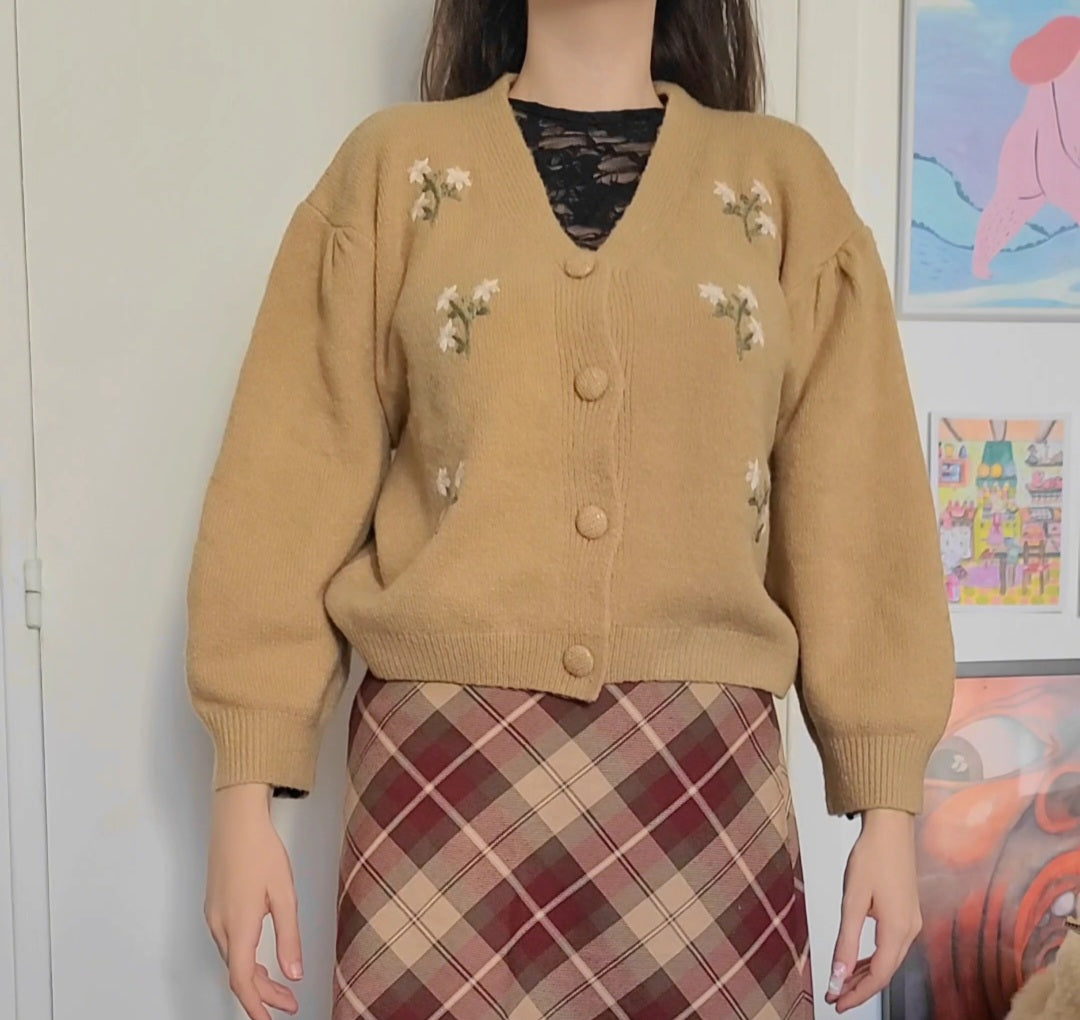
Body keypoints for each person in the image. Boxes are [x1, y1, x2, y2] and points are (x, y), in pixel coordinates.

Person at [186, 1, 956, 1018]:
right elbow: (284, 484)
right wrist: (243, 794)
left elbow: (859, 503)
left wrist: (887, 809)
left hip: (702, 777)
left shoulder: (781, 187)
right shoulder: (393, 173)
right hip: (443, 778)